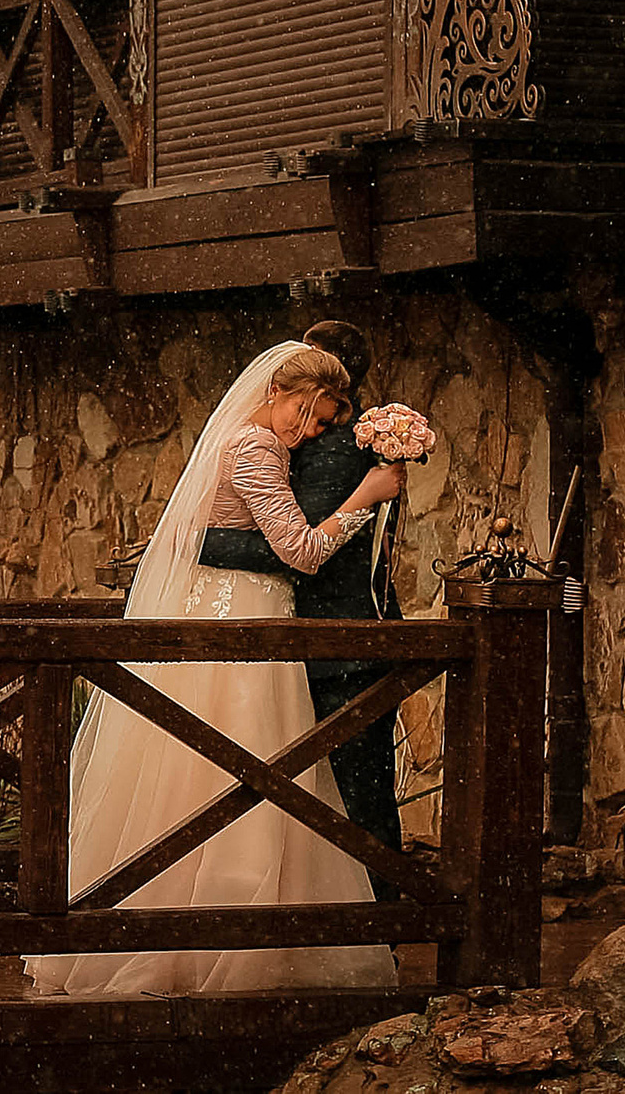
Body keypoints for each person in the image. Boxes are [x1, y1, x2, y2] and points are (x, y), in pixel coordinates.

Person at [26, 341, 405, 997]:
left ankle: (223, 917)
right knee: (244, 759)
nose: (308, 432)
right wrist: (364, 496)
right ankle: (216, 928)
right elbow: (299, 550)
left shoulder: (254, 442)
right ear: (283, 392)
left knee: (239, 767)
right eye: (308, 415)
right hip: (243, 616)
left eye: (320, 424)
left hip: (246, 611)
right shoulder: (255, 447)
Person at [195, 320, 403, 873]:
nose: (310, 426)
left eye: (319, 410)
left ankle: (380, 908)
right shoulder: (266, 441)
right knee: (266, 778)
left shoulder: (337, 447)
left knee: (354, 797)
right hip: (292, 633)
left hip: (342, 647)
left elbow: (298, 548)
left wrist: (203, 543)